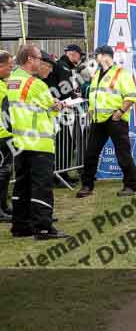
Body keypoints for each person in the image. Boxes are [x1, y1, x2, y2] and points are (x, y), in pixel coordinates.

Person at [8, 44, 68, 239]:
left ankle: (20, 225)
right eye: (38, 59)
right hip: (39, 142)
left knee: (22, 185)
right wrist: (59, 105)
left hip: (20, 141)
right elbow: (52, 106)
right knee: (41, 187)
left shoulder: (12, 80)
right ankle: (43, 227)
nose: (40, 62)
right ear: (29, 59)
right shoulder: (35, 84)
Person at [76, 45, 136, 198]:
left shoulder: (122, 73)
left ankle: (130, 185)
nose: (95, 58)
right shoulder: (97, 74)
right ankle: (87, 185)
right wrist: (91, 110)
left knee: (123, 153)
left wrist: (120, 112)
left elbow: (131, 96)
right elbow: (94, 94)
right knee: (91, 153)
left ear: (106, 56)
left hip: (115, 119)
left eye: (97, 55)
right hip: (98, 120)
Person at [0, 51, 14, 222]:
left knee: (6, 172)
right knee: (2, 173)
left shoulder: (4, 83)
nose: (12, 68)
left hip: (7, 134)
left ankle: (3, 205)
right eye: (9, 65)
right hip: (1, 136)